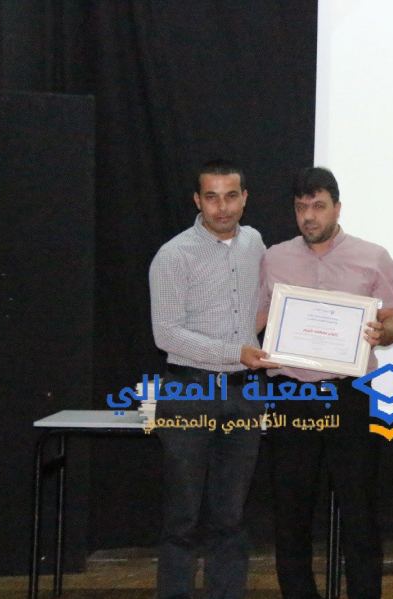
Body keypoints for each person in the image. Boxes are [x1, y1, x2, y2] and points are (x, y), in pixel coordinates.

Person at [257, 166, 393, 599]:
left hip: (350, 395)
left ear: (337, 208)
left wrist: (382, 332)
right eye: (301, 207)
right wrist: (247, 342)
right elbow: (259, 319)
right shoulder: (274, 257)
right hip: (292, 393)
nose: (309, 216)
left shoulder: (373, 257)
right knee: (291, 509)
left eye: (318, 206)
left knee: (359, 509)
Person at [149, 159, 275, 599]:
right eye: (212, 197)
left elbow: (260, 307)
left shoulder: (255, 242)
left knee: (231, 515)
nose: (223, 207)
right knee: (182, 515)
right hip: (189, 390)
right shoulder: (173, 255)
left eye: (231, 196)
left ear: (245, 198)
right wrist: (234, 351)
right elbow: (166, 334)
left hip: (244, 392)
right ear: (197, 201)